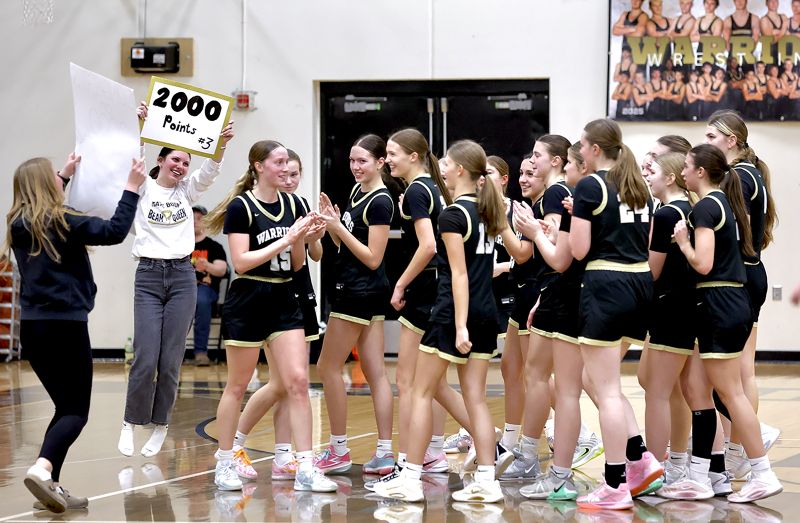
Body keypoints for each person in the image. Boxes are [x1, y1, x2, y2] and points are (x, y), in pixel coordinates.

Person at [7, 154, 145, 512]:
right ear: (44, 182)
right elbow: (115, 231)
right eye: (54, 174)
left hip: (33, 330)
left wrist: (64, 176)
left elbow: (45, 208)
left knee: (64, 407)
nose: (60, 175)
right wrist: (131, 187)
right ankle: (42, 469)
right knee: (76, 412)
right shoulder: (65, 220)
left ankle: (49, 482)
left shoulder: (19, 224)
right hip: (66, 327)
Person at [373, 140, 510, 503]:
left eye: (447, 162)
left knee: (419, 392)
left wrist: (460, 325)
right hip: (487, 312)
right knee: (476, 400)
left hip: (453, 314)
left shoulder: (453, 215)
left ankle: (411, 477)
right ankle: (487, 479)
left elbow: (460, 275)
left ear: (461, 170)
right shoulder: (489, 211)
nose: (443, 167)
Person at [205, 139, 334, 493]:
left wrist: (309, 239)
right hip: (248, 297)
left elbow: (296, 264)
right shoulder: (241, 207)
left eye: (287, 163)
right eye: (278, 162)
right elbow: (241, 262)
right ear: (259, 166)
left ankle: (304, 466)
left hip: (283, 296)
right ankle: (225, 460)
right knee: (236, 385)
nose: (285, 169)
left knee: (297, 381)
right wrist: (286, 238)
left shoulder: (294, 203)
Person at [118, 105, 234, 458]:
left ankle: (161, 423)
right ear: (161, 159)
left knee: (170, 360)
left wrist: (221, 144)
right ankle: (130, 421)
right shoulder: (143, 189)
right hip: (149, 276)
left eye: (186, 162)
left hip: (184, 276)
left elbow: (210, 171)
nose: (181, 166)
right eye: (176, 160)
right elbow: (133, 156)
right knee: (145, 355)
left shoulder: (188, 192)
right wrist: (139, 122)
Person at [673, 144, 783, 502]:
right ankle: (704, 476)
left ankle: (762, 471)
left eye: (687, 167)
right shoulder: (725, 203)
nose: (683, 173)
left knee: (730, 394)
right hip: (727, 303)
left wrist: (682, 242)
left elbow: (702, 264)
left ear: (701, 172)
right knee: (698, 387)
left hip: (720, 303)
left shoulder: (707, 206)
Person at [570, 119, 661, 510]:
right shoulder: (637, 184)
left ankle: (615, 484)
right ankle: (640, 459)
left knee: (605, 389)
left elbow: (577, 249)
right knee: (599, 379)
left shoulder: (591, 185)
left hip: (607, 285)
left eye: (583, 145)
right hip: (640, 284)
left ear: (593, 150)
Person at [314, 134, 396, 475]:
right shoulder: (355, 192)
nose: (355, 166)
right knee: (376, 371)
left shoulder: (380, 200)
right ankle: (385, 452)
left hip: (359, 290)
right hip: (361, 288)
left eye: (362, 160)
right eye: (351, 160)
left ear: (380, 162)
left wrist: (338, 228)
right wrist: (331, 223)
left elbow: (373, 257)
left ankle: (339, 449)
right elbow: (343, 244)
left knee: (326, 367)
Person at [704, 110, 780, 478]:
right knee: (743, 371)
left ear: (731, 140)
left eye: (712, 136)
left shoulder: (738, 176)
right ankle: (738, 446)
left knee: (732, 375)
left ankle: (751, 436)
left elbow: (731, 233)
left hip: (741, 277)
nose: (706, 143)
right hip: (753, 273)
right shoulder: (752, 174)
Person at [515, 142, 592, 500]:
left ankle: (536, 457)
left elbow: (559, 255)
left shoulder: (557, 192)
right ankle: (531, 454)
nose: (531, 161)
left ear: (557, 162)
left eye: (537, 156)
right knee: (541, 376)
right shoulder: (560, 193)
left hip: (558, 291)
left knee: (543, 378)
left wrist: (531, 231)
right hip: (557, 291)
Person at [635, 152, 701, 498]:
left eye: (655, 171)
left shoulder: (665, 214)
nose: (649, 176)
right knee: (677, 390)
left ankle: (655, 469)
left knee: (658, 392)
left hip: (670, 308)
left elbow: (652, 271)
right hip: (688, 308)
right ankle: (679, 462)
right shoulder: (690, 209)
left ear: (672, 177)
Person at [190, 205, 228, 366]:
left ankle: (201, 352)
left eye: (199, 219)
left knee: (201, 300)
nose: (194, 222)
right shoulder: (179, 246)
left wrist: (207, 266)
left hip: (206, 290)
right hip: (183, 290)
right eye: (191, 218)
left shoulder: (214, 247)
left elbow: (222, 270)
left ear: (206, 222)